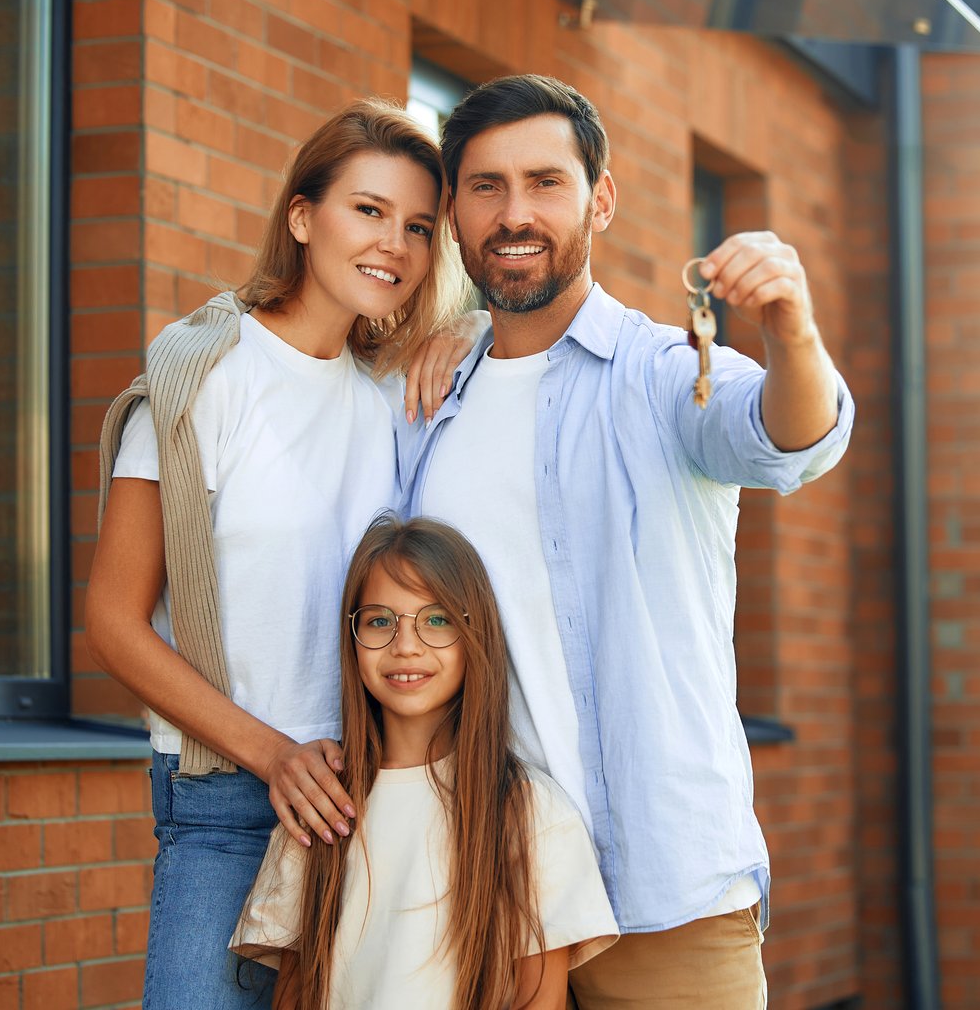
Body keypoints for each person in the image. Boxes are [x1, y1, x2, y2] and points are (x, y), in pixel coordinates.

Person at [406, 74, 854, 1006]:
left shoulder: (661, 375)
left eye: (545, 182)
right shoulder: (424, 403)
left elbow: (788, 438)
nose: (514, 213)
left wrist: (793, 329)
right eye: (485, 187)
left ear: (600, 199)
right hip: (489, 901)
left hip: (665, 896)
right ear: (451, 213)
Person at [88, 99, 473, 1008]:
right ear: (302, 218)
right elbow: (112, 621)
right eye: (369, 210)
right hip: (230, 804)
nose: (396, 244)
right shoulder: (199, 380)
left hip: (378, 800)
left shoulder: (388, 403)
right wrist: (274, 757)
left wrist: (466, 328)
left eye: (420, 226)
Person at [230, 515, 618, 1009]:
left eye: (436, 619)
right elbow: (294, 994)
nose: (406, 645)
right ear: (352, 638)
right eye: (379, 621)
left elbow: (538, 999)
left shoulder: (531, 814)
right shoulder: (321, 804)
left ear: (475, 635)